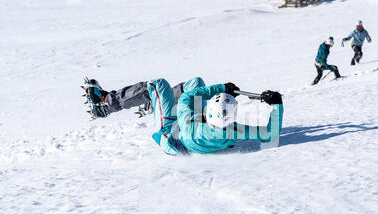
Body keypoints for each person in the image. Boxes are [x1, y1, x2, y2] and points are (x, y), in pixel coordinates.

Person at [83, 77, 283, 155]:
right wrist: (276, 104)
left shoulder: (188, 122)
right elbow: (269, 134)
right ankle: (158, 102)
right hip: (198, 135)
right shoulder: (232, 131)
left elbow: (188, 97)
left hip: (173, 130)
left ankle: (106, 104)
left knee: (157, 85)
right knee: (196, 81)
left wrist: (223, 88)